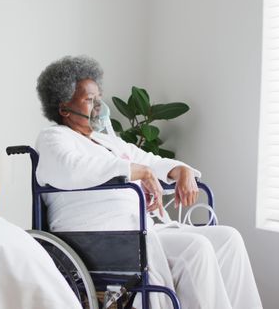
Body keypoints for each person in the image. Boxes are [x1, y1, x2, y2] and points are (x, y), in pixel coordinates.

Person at [35, 55, 262, 309]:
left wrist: (180, 170)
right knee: (195, 249)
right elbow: (71, 169)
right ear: (64, 108)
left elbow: (147, 159)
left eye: (99, 98)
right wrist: (136, 171)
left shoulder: (108, 142)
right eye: (89, 100)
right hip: (101, 237)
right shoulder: (54, 138)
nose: (99, 106)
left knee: (229, 239)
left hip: (139, 232)